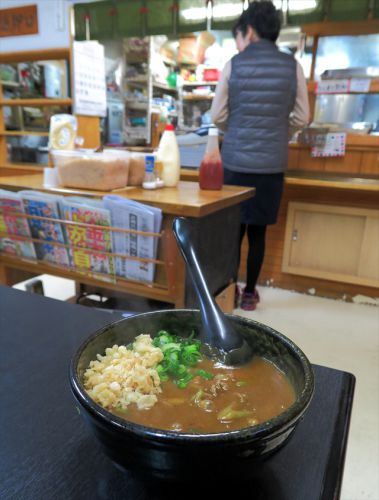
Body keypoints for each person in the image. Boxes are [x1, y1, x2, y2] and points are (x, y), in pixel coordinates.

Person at [210, 1, 309, 311]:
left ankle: (229, 292)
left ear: (249, 30)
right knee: (258, 233)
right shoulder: (293, 66)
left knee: (232, 231)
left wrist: (235, 126)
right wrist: (281, 127)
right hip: (270, 166)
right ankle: (251, 293)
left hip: (236, 162)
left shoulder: (234, 64)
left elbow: (217, 115)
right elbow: (303, 116)